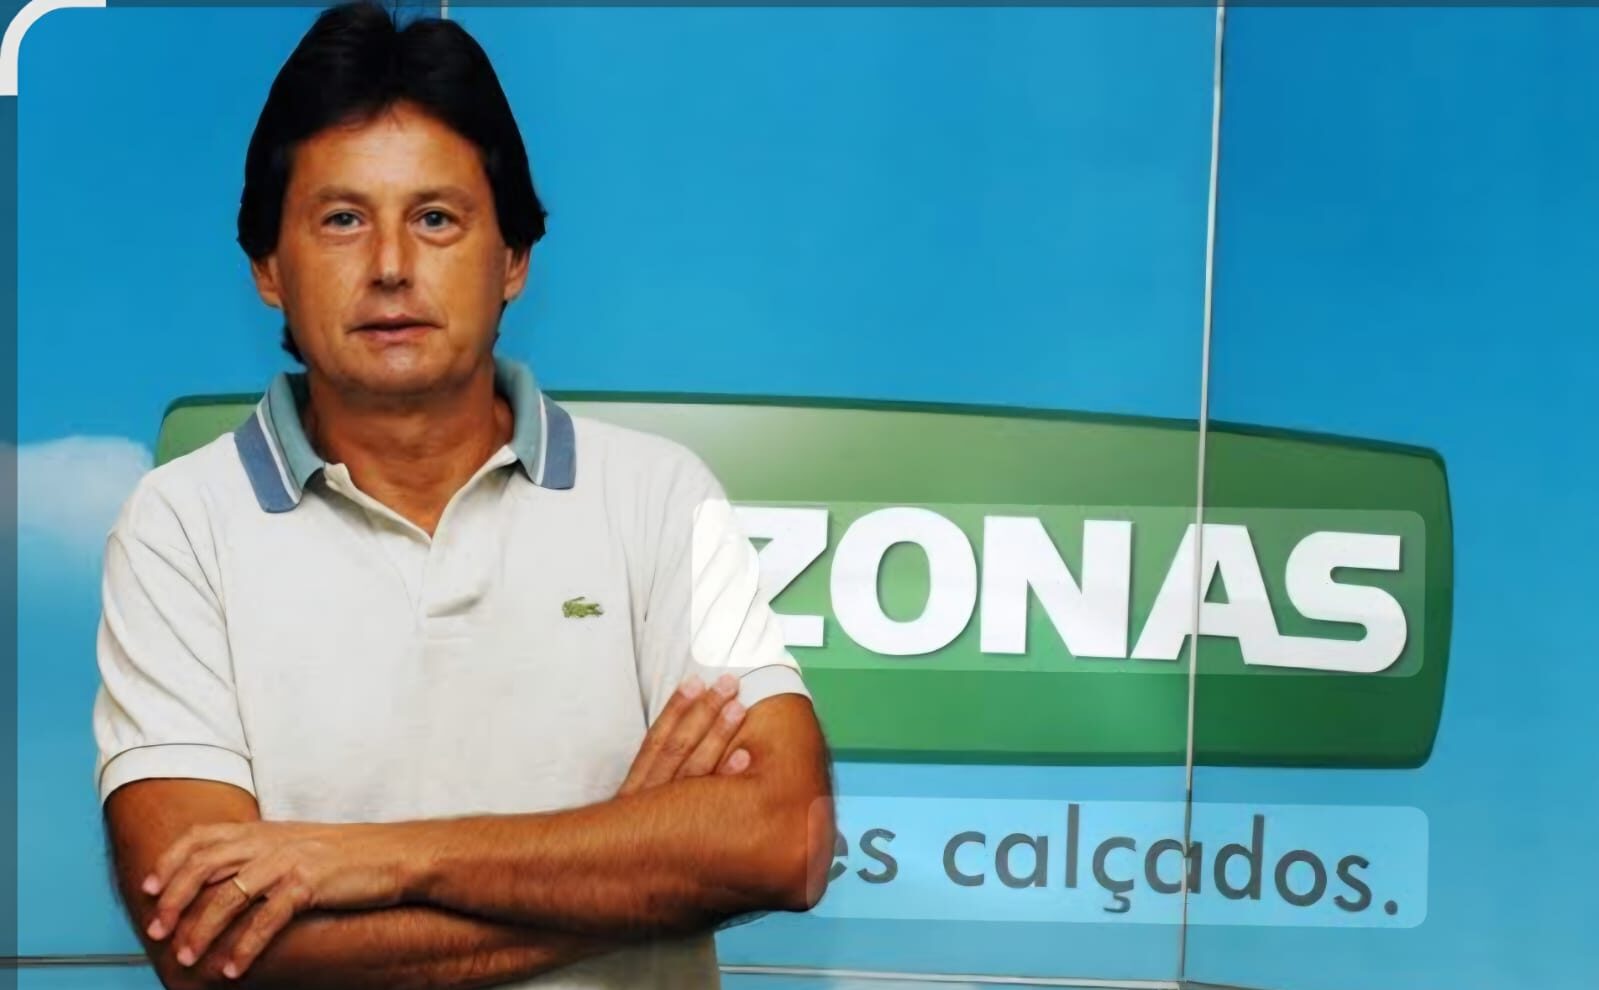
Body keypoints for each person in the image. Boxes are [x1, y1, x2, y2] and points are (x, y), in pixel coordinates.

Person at [90, 4, 834, 988]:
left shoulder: (657, 495)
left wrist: (383, 858)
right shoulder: (179, 524)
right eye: (342, 220)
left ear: (513, 259)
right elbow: (208, 941)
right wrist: (626, 860)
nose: (391, 267)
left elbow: (785, 838)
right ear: (268, 267)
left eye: (436, 219)